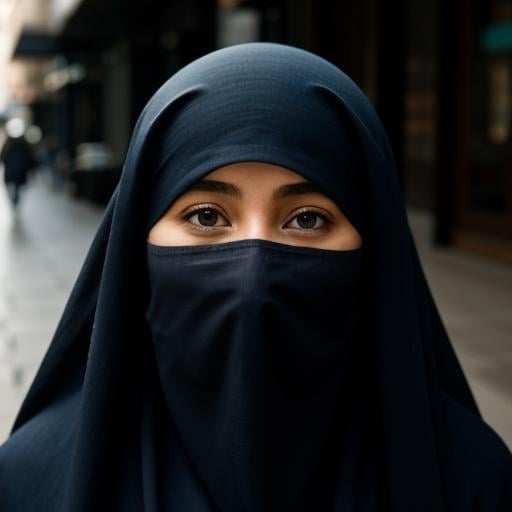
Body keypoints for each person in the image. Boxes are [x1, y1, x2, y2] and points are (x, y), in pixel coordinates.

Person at [0, 43, 510, 511]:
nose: (252, 277)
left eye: (307, 219)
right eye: (206, 216)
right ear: (137, 242)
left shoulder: (475, 483)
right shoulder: (28, 485)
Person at [1, 127, 34, 208]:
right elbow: (30, 158)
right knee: (17, 187)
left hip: (11, 171)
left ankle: (14, 199)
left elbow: (2, 157)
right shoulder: (24, 144)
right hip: (20, 172)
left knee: (11, 186)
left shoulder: (8, 144)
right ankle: (15, 198)